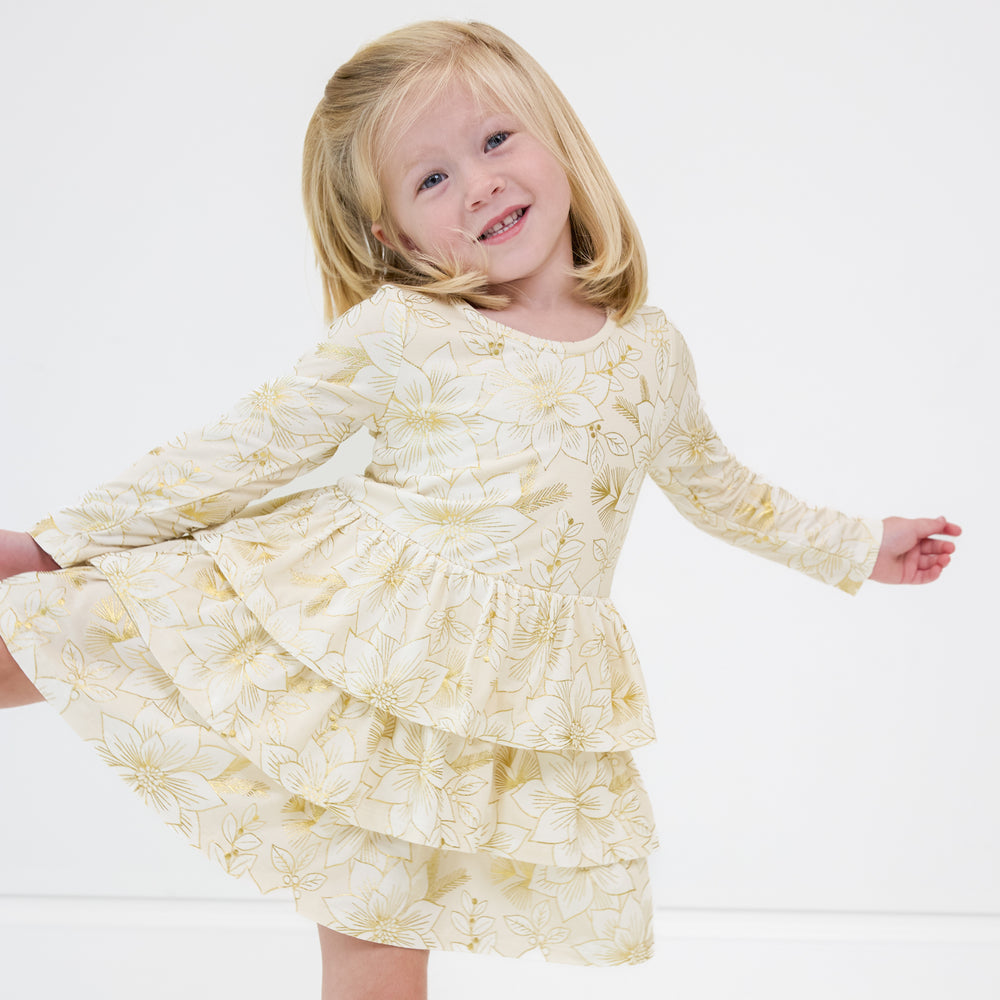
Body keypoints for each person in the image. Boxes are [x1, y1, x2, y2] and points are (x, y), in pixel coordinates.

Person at [0, 19, 960, 1000]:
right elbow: (248, 447)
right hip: (352, 639)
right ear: (392, 235)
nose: (480, 184)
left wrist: (857, 544)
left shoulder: (650, 353)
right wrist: (48, 543)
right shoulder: (406, 331)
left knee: (378, 941)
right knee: (72, 627)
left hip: (492, 704)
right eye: (431, 180)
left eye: (496, 141)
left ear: (554, 136)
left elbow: (720, 487)